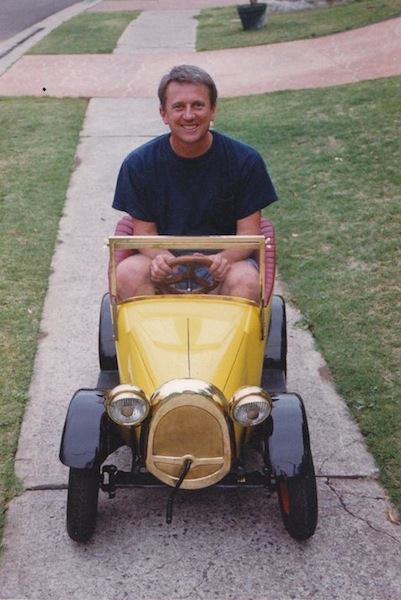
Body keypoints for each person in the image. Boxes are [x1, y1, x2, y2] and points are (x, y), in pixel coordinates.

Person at [112, 64, 277, 301]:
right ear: (164, 114)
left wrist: (221, 259)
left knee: (246, 279)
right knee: (128, 272)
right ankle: (155, 327)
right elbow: (144, 232)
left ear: (213, 110)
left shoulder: (245, 161)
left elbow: (249, 232)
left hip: (225, 266)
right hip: (164, 268)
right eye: (178, 107)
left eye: (198, 105)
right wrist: (161, 259)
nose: (189, 116)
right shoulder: (139, 164)